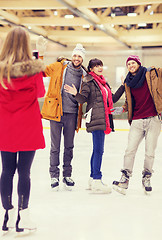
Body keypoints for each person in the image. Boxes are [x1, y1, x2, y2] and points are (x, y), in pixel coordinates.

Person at [0, 27, 45, 232]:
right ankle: (23, 216)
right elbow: (40, 93)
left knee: (7, 171)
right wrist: (40, 56)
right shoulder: (34, 69)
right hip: (28, 125)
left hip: (6, 126)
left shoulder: (1, 70)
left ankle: (7, 216)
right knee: (24, 172)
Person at [64, 58, 125, 194]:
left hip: (104, 118)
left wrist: (123, 86)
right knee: (99, 150)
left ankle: (93, 179)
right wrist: (76, 94)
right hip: (96, 118)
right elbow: (83, 99)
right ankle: (97, 179)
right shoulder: (88, 81)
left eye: (100, 65)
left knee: (97, 150)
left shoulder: (104, 82)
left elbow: (113, 99)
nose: (99, 67)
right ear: (91, 69)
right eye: (96, 66)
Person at [37, 39, 87, 191]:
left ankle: (67, 174)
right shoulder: (59, 66)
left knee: (69, 146)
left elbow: (84, 97)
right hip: (56, 113)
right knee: (55, 146)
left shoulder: (84, 75)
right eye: (75, 56)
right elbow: (41, 70)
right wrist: (40, 54)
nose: (77, 59)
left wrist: (75, 93)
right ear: (72, 56)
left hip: (72, 114)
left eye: (80, 57)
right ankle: (54, 175)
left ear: (82, 59)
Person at [112, 55, 162, 195]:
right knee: (130, 150)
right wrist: (123, 108)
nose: (131, 65)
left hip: (153, 119)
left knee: (150, 152)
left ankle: (147, 177)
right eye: (128, 64)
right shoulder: (128, 82)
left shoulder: (151, 74)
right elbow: (130, 101)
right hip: (137, 120)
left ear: (139, 64)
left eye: (133, 63)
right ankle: (125, 178)